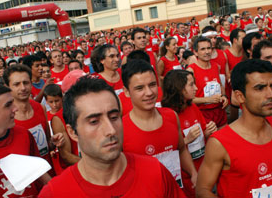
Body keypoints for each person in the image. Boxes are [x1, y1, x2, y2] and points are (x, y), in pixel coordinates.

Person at [38, 76, 186, 197]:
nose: (110, 130)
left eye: (114, 117)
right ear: (72, 132)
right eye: (94, 121)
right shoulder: (55, 193)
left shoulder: (154, 172)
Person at [196, 59, 272, 198]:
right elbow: (203, 190)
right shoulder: (220, 142)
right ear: (240, 96)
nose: (270, 94)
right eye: (260, 88)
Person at [121, 59, 197, 189]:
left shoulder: (171, 116)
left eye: (152, 85)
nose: (149, 93)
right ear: (127, 92)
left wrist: (193, 172)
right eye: (140, 88)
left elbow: (181, 149)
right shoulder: (120, 129)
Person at [161, 69, 217, 197]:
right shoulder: (168, 115)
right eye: (191, 85)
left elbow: (202, 132)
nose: (196, 88)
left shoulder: (193, 107)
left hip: (202, 168)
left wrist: (208, 131)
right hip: (185, 176)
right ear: (179, 88)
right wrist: (186, 140)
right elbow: (166, 151)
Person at [0, 84, 51, 197]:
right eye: (8, 105)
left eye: (12, 103)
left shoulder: (23, 134)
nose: (15, 108)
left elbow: (40, 175)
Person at [3, 64, 63, 176]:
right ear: (7, 87)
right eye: (16, 84)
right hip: (26, 181)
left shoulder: (40, 108)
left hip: (48, 174)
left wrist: (54, 142)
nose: (23, 88)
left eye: (26, 82)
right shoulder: (5, 118)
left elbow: (47, 145)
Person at [187, 36, 228, 128]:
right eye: (203, 49)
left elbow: (221, 86)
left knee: (225, 139)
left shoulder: (216, 66)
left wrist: (224, 96)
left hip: (220, 111)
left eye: (209, 48)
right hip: (203, 114)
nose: (207, 52)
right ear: (195, 52)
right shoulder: (191, 70)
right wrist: (208, 99)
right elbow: (187, 99)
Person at [44, 84, 80, 175]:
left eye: (57, 101)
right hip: (73, 165)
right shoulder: (55, 118)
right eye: (51, 102)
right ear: (46, 102)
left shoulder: (75, 110)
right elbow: (65, 155)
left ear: (62, 98)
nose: (55, 105)